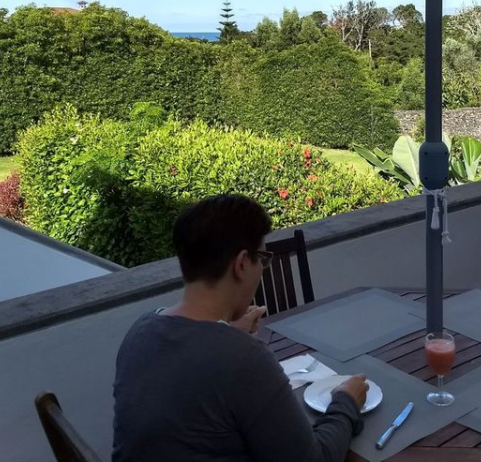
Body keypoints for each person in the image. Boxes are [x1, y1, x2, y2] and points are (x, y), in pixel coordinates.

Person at [112, 194, 367, 462]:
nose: (262, 270)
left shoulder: (139, 332)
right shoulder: (242, 357)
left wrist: (229, 333)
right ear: (242, 263)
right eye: (263, 259)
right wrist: (346, 402)